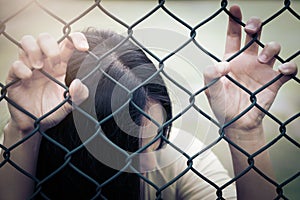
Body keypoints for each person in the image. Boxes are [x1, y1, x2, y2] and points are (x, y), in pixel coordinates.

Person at [0, 5, 297, 200]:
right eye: (131, 149)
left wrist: (245, 133)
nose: (151, 160)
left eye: (158, 136)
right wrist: (24, 133)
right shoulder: (26, 155)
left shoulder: (177, 157)